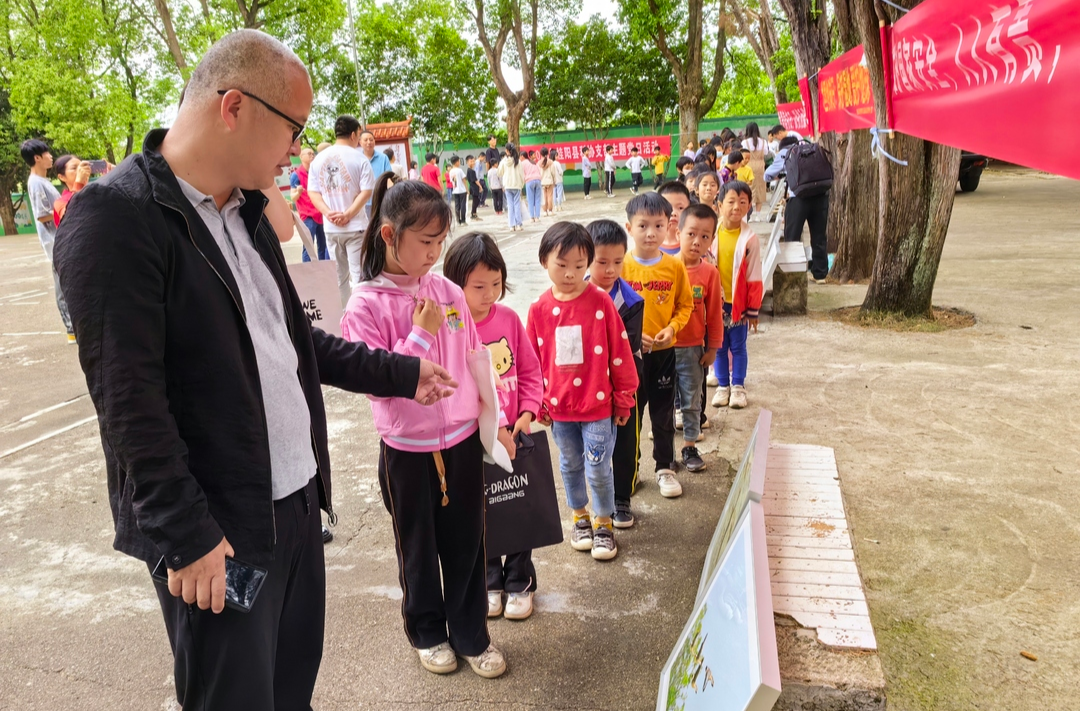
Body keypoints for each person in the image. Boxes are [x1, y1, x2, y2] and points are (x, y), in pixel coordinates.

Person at [53, 30, 459, 710]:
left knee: (289, 687)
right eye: (293, 130)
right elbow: (128, 403)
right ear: (234, 107)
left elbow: (294, 342)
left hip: (295, 503)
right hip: (218, 528)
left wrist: (401, 373)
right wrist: (187, 537)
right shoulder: (117, 218)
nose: (296, 152)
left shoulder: (246, 213)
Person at [341, 177, 512, 679]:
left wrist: (491, 420)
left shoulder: (448, 291)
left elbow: (475, 357)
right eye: (426, 242)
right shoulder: (365, 305)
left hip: (458, 440)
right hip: (407, 450)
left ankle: (471, 634)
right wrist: (420, 335)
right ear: (390, 235)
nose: (435, 254)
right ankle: (428, 631)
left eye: (441, 242)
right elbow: (374, 383)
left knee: (467, 544)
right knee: (416, 547)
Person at [443, 232, 543, 621]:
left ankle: (520, 580)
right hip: (474, 439)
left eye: (496, 285)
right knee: (482, 514)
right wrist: (496, 425)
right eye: (478, 286)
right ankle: (489, 581)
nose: (489, 294)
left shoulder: (509, 319)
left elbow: (531, 371)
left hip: (516, 437)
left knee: (518, 507)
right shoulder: (453, 326)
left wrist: (527, 413)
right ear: (455, 285)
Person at [527, 222, 638, 560]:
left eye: (579, 266)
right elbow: (531, 362)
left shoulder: (601, 303)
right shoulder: (538, 310)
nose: (571, 274)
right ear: (544, 261)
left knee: (598, 466)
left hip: (597, 407)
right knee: (570, 465)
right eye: (562, 265)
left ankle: (604, 522)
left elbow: (620, 353)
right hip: (559, 410)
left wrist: (623, 398)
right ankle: (580, 517)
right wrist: (536, 403)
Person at [620, 193, 693, 500]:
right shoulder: (620, 267)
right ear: (629, 227)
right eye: (643, 225)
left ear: (669, 227)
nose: (650, 233)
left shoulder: (674, 267)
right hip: (630, 357)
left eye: (658, 225)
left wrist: (671, 328)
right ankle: (629, 472)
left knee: (663, 415)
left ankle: (665, 468)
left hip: (664, 355)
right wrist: (630, 336)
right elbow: (611, 311)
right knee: (630, 419)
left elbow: (685, 306)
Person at [585, 219, 644, 529]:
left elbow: (627, 348)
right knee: (591, 447)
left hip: (621, 381)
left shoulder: (630, 301)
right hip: (585, 385)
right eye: (601, 262)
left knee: (623, 440)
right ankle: (594, 503)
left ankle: (622, 498)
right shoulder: (573, 293)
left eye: (618, 262)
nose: (610, 270)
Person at [673, 203, 723, 473]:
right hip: (662, 349)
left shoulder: (709, 274)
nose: (697, 241)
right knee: (664, 401)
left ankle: (689, 446)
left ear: (712, 240)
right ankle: (664, 451)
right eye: (691, 234)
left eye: (705, 236)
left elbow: (715, 314)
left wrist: (713, 348)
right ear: (678, 231)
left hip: (693, 349)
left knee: (692, 399)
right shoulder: (665, 268)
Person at [308, 114, 376, 306]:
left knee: (339, 277)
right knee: (359, 275)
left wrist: (328, 213)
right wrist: (348, 214)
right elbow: (366, 192)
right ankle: (361, 314)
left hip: (331, 229)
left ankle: (344, 314)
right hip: (355, 227)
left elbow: (313, 192)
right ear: (354, 134)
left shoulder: (318, 160)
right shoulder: (360, 159)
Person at [708, 181, 762, 410]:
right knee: (718, 346)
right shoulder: (710, 235)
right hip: (715, 304)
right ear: (719, 205)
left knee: (738, 346)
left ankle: (738, 386)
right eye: (730, 202)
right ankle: (723, 386)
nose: (736, 207)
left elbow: (754, 276)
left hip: (737, 304)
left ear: (749, 205)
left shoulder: (750, 239)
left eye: (742, 202)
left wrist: (753, 310)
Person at [22, 139, 73, 342]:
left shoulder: (43, 182)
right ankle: (71, 329)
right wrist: (65, 209)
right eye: (46, 154)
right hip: (53, 242)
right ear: (37, 158)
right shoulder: (35, 182)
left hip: (60, 239)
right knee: (62, 284)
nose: (51, 156)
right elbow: (43, 215)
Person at [290, 146, 328, 261]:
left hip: (320, 213)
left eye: (313, 154)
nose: (312, 156)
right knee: (308, 247)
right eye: (309, 154)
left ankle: (324, 270)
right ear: (302, 157)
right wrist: (298, 192)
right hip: (308, 216)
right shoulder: (296, 175)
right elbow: (293, 197)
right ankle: (308, 272)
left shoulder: (317, 173)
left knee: (324, 245)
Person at [52, 154, 91, 227]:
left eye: (81, 166)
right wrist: (79, 183)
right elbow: (71, 218)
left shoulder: (95, 191)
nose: (80, 170)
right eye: (74, 168)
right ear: (62, 177)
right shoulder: (60, 203)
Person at [657, 180, 691, 256]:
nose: (673, 213)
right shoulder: (651, 246)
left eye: (680, 208)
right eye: (667, 207)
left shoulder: (694, 245)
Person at [741, 122, 768, 214]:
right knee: (760, 188)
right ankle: (758, 214)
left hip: (749, 165)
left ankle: (749, 213)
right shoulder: (763, 141)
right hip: (760, 166)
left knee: (749, 188)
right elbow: (766, 153)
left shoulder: (745, 142)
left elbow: (742, 154)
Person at [497, 143, 524, 231]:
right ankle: (519, 224)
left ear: (507, 151)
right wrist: (521, 185)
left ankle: (511, 225)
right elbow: (521, 174)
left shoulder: (503, 161)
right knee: (517, 204)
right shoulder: (518, 161)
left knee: (510, 205)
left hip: (507, 186)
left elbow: (499, 173)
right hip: (517, 185)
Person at [447, 155, 468, 225]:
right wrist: (467, 189)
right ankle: (463, 220)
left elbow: (451, 180)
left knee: (457, 206)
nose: (459, 163)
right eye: (459, 161)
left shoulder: (451, 171)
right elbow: (464, 180)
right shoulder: (460, 170)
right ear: (456, 162)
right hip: (462, 190)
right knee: (463, 206)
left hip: (455, 190)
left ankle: (458, 220)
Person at [522, 150, 542, 223]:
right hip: (538, 179)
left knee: (530, 199)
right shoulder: (534, 163)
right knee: (537, 199)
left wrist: (523, 181)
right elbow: (539, 171)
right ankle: (537, 217)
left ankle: (531, 217)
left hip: (529, 181)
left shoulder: (523, 163)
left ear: (522, 156)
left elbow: (522, 173)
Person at [465, 155, 483, 222]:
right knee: (476, 201)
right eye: (471, 161)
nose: (473, 162)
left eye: (473, 161)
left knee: (476, 201)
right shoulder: (471, 171)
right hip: (474, 187)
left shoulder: (470, 170)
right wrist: (480, 186)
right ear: (467, 162)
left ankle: (474, 214)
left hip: (472, 187)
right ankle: (473, 214)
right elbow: (475, 180)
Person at [539, 147, 555, 217]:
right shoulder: (551, 162)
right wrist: (554, 180)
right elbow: (553, 173)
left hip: (542, 182)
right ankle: (550, 210)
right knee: (550, 196)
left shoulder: (538, 163)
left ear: (540, 154)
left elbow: (538, 173)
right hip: (550, 181)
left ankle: (545, 211)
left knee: (544, 197)